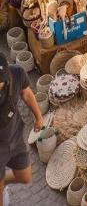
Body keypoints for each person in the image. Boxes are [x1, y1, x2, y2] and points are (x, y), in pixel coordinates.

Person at [0, 53, 43, 205]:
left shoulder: (16, 73)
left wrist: (38, 117)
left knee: (25, 176)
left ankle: (3, 182)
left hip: (14, 137)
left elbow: (25, 92)